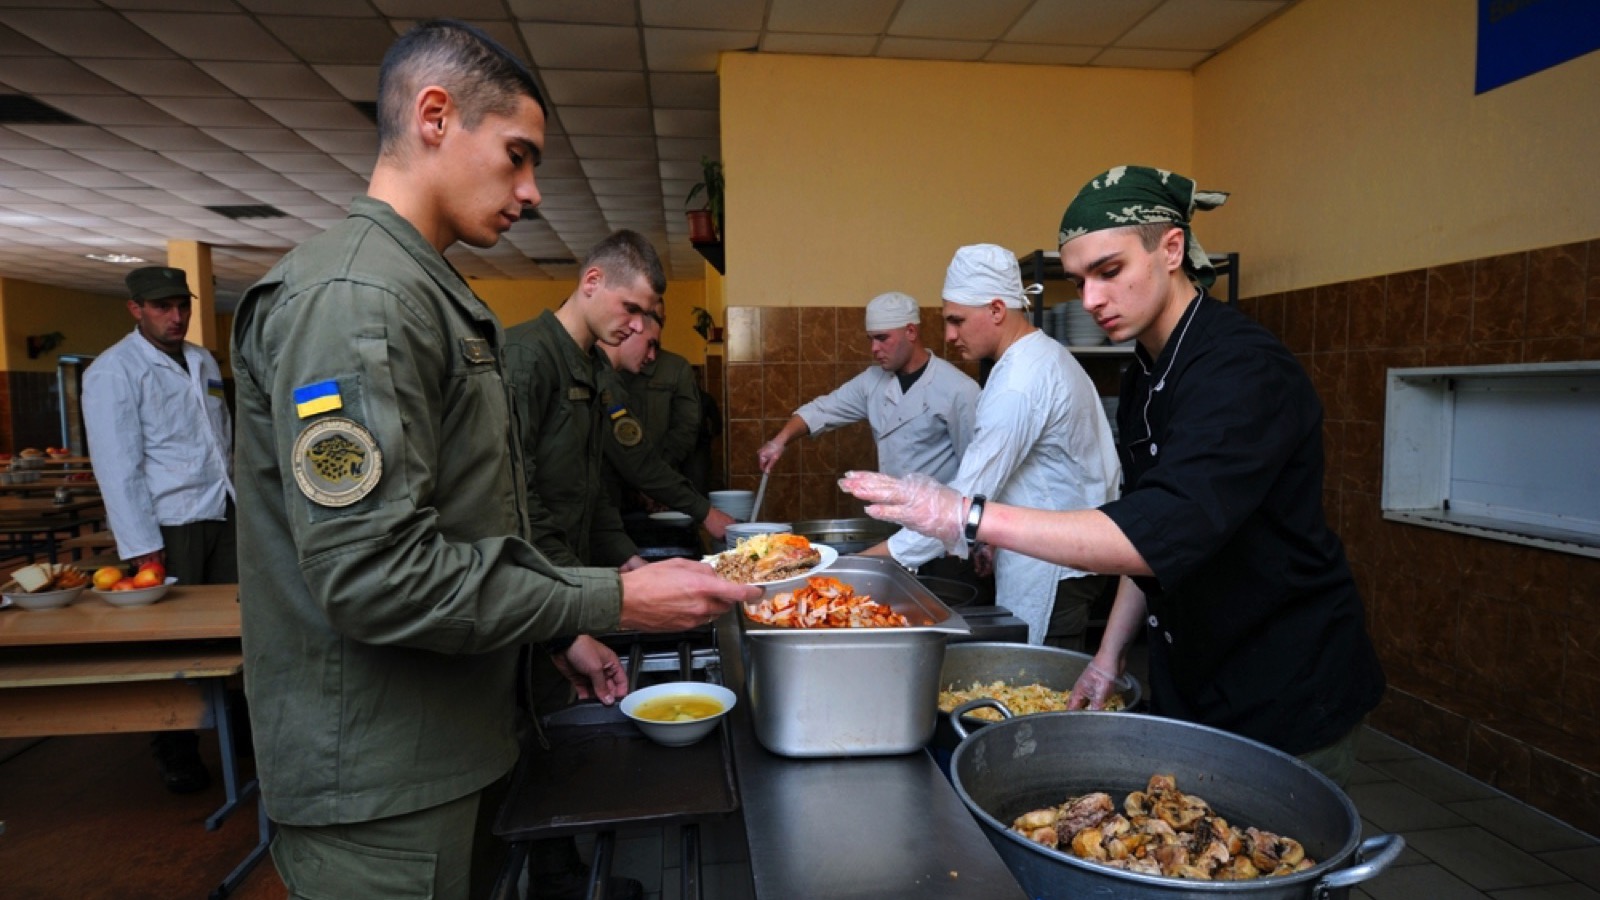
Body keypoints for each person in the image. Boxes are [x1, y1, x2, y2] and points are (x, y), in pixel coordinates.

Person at [229, 20, 758, 900]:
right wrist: (613, 596)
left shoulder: (422, 292)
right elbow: (374, 576)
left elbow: (471, 521)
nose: (533, 191)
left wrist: (555, 631)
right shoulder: (357, 300)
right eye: (517, 156)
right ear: (435, 116)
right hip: (381, 775)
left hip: (449, 745)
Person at [841, 165, 1385, 787]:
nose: (1091, 300)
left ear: (1171, 248)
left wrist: (961, 515)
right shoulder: (1146, 372)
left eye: (1110, 271)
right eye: (1077, 281)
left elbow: (1155, 533)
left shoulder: (1241, 370)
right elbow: (1148, 521)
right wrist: (1109, 654)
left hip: (1286, 676)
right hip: (1196, 668)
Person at [856, 248, 1121, 648]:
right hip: (1064, 554)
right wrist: (991, 536)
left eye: (956, 321)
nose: (948, 335)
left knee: (1042, 688)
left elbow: (955, 509)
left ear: (997, 309)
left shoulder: (1019, 381)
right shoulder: (1041, 355)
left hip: (1054, 569)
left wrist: (865, 563)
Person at [83, 264, 235, 795]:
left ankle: (239, 737)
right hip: (168, 526)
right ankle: (175, 751)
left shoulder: (201, 360)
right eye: (163, 307)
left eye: (182, 305)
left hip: (222, 511)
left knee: (235, 633)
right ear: (136, 309)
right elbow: (117, 466)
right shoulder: (113, 372)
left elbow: (221, 437)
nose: (177, 317)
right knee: (174, 647)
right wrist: (143, 547)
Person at [504, 230, 662, 571]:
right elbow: (514, 496)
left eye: (644, 314)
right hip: (536, 574)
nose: (637, 326)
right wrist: (572, 586)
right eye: (630, 308)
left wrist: (626, 556)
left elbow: (590, 484)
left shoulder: (593, 364)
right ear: (592, 281)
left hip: (572, 567)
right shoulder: (526, 357)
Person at [757, 291, 978, 486]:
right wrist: (779, 442)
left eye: (882, 338)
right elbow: (822, 410)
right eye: (871, 339)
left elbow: (976, 469)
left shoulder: (959, 389)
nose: (874, 348)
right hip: (892, 516)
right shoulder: (872, 381)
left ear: (911, 332)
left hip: (940, 525)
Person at [599, 314, 735, 541]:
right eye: (650, 344)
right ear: (630, 328)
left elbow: (686, 427)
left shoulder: (611, 382)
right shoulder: (600, 381)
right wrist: (706, 513)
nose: (653, 356)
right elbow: (635, 460)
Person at [619, 308, 703, 487]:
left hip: (663, 479)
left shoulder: (676, 367)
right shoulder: (604, 371)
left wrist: (658, 473)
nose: (651, 356)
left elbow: (687, 425)